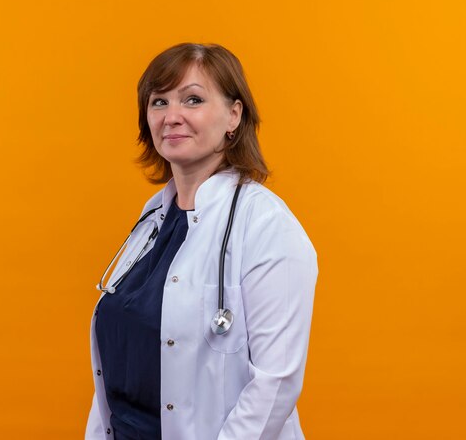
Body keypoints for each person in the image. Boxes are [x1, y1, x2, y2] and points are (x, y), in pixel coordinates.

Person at [86, 43, 318, 440]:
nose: (172, 117)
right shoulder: (153, 218)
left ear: (234, 114)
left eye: (192, 99)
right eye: (159, 102)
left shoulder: (265, 224)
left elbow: (275, 385)